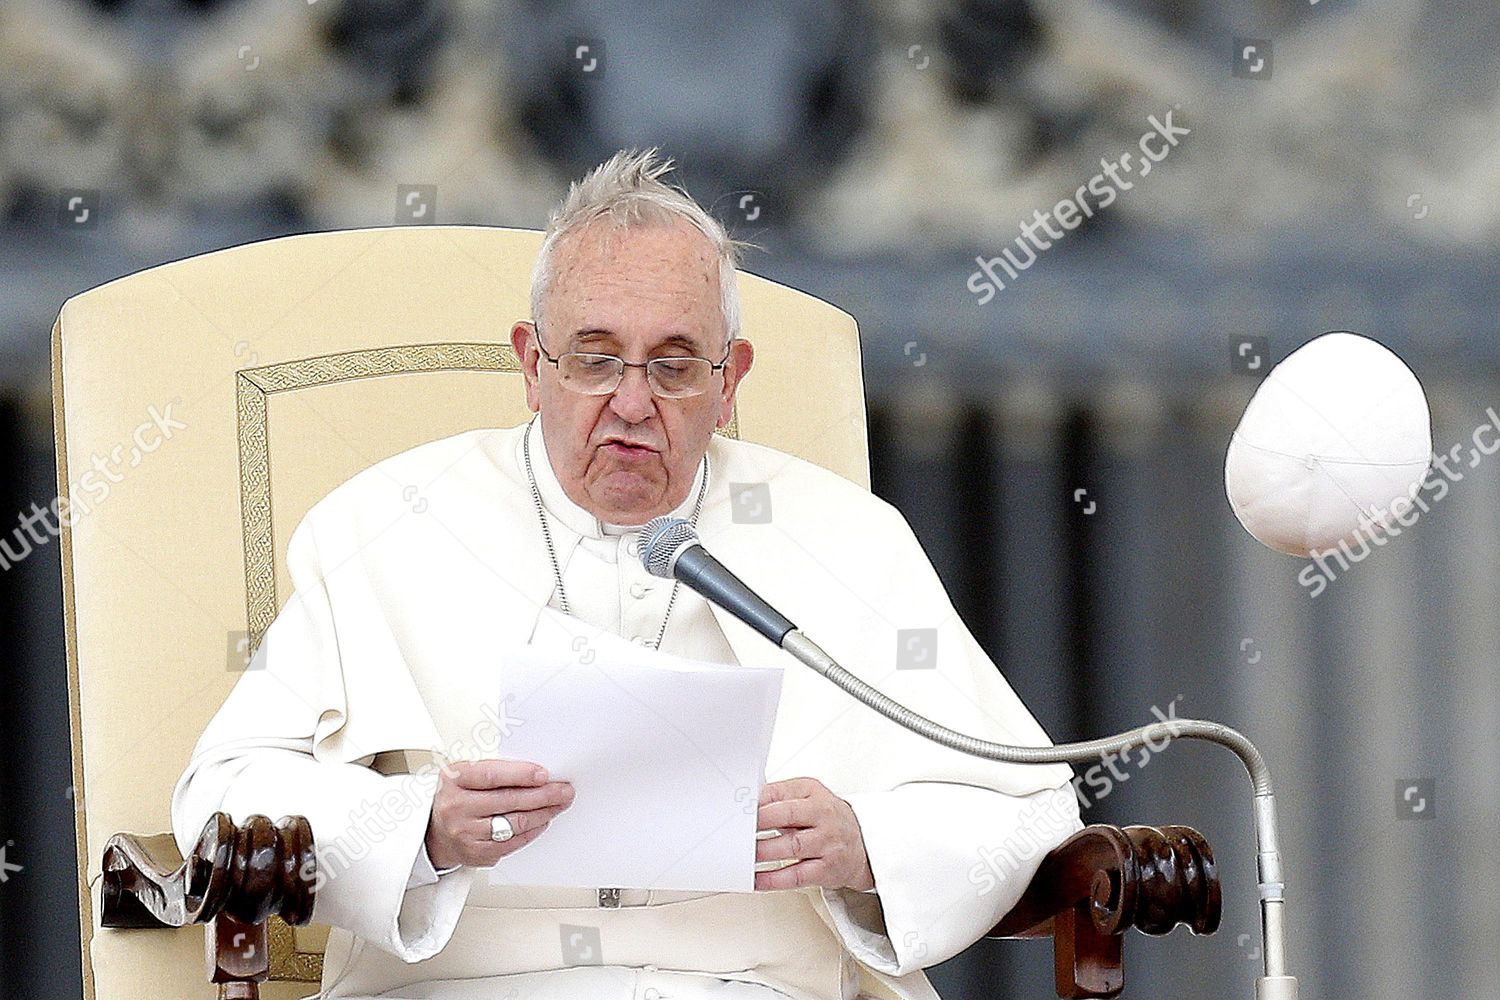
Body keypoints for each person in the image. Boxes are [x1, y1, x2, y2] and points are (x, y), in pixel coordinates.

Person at [171, 149, 1084, 1000]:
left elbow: (1028, 809)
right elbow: (224, 794)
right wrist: (419, 828)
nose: (634, 404)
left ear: (732, 382)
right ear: (533, 364)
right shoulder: (384, 522)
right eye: (596, 360)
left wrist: (869, 846)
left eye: (677, 366)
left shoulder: (846, 540)